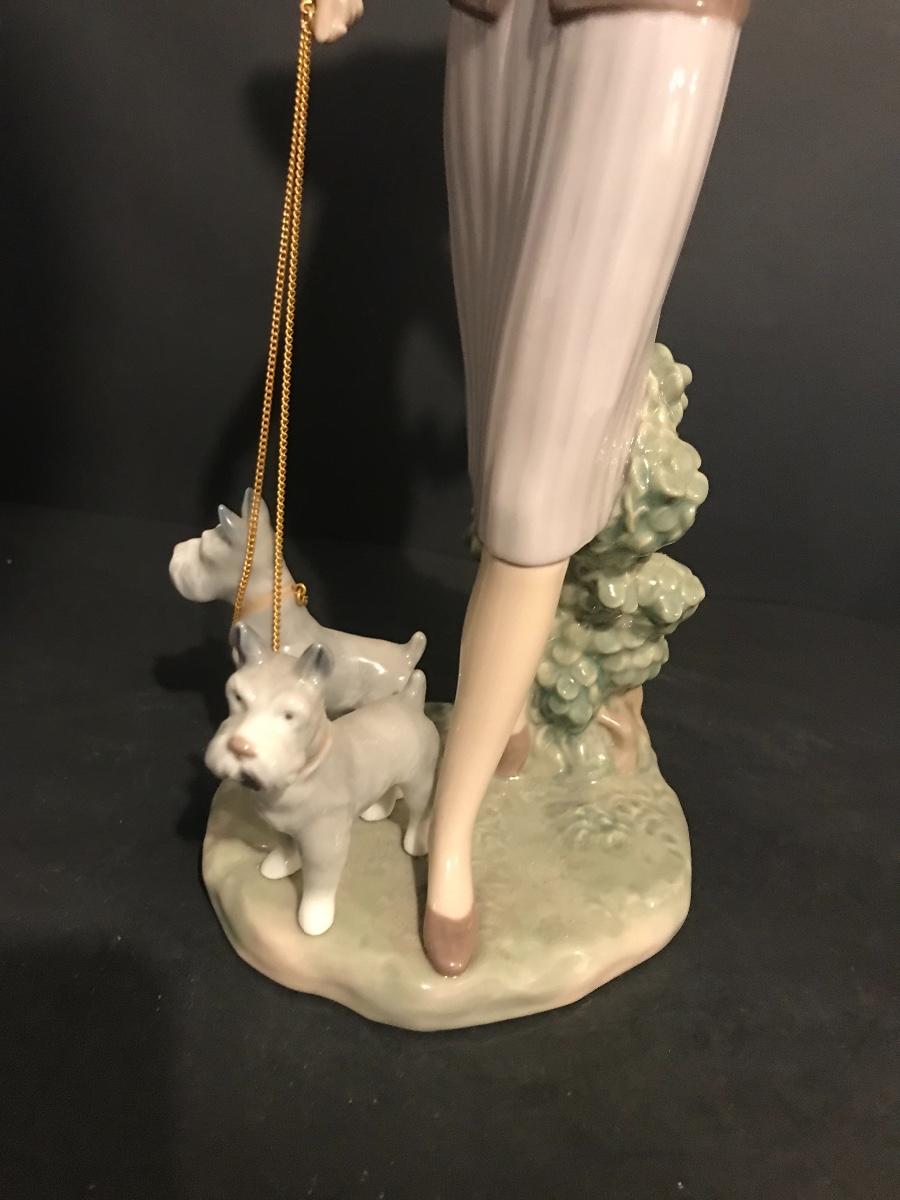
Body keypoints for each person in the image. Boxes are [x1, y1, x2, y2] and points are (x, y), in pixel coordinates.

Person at [312, 0, 750, 975]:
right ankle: (504, 714)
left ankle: (452, 834)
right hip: (494, 18)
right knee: (494, 407)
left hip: (645, 23)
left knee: (533, 495)